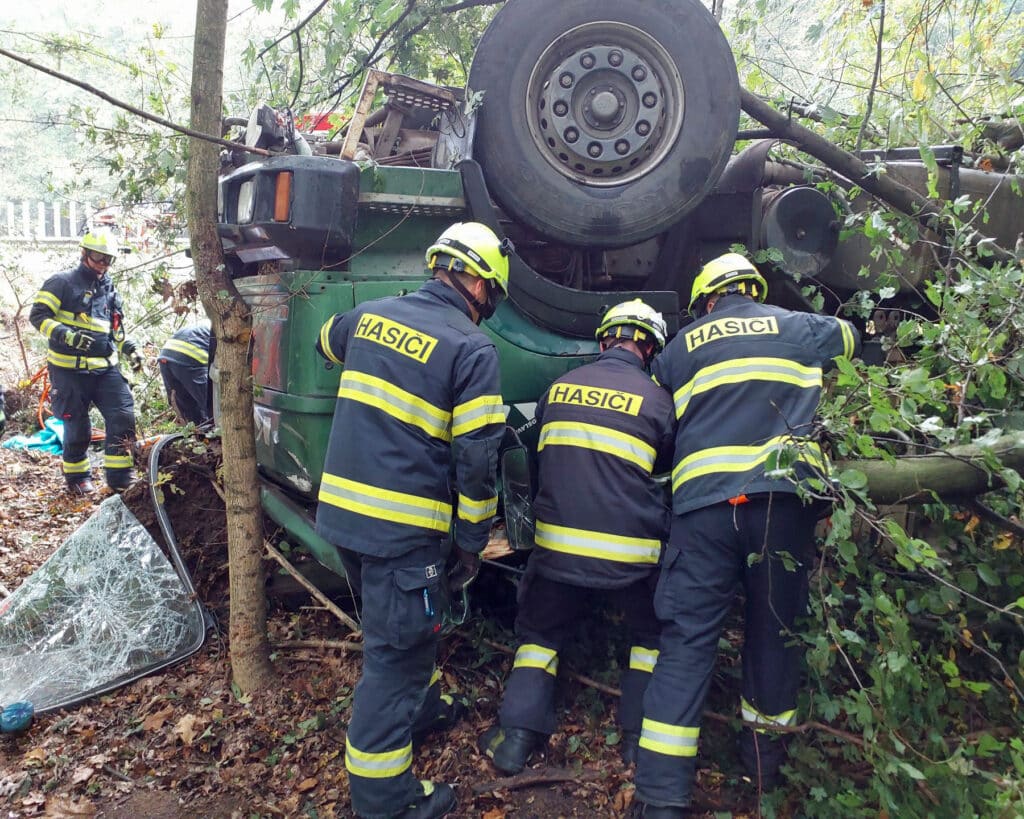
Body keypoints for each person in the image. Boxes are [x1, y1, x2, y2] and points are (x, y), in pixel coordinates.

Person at [627, 253, 861, 818]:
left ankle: (660, 796)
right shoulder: (798, 327)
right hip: (784, 507)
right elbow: (855, 338)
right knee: (773, 635)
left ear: (706, 300)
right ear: (753, 291)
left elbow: (656, 408)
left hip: (704, 512)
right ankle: (763, 770)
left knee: (685, 643)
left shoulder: (682, 347)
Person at [315, 221, 511, 819]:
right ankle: (385, 802)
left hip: (344, 518)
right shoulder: (472, 350)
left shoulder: (370, 316)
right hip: (403, 534)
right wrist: (473, 542)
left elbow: (327, 338)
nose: (491, 309)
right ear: (478, 282)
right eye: (494, 296)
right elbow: (476, 458)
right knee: (395, 661)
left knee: (404, 629)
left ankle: (422, 710)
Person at [478, 299, 675, 775]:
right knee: (650, 637)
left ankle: (516, 739)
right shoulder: (659, 402)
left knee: (540, 635)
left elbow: (543, 463)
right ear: (649, 349)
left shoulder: (559, 389)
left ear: (604, 340)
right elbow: (665, 480)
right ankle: (637, 743)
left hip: (556, 554)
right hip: (631, 561)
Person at [28, 230, 143, 494]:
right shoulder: (62, 282)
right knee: (77, 426)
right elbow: (38, 316)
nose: (102, 264)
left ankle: (120, 478)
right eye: (97, 257)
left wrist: (131, 350)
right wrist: (66, 335)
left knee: (123, 416)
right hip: (69, 372)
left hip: (105, 370)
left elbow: (114, 332)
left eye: (108, 259)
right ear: (84, 253)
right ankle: (78, 479)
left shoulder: (109, 290)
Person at [159, 321, 215, 426]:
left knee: (186, 406)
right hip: (189, 357)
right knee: (211, 405)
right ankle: (214, 435)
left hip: (165, 357)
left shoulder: (204, 326)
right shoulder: (220, 331)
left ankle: (200, 434)